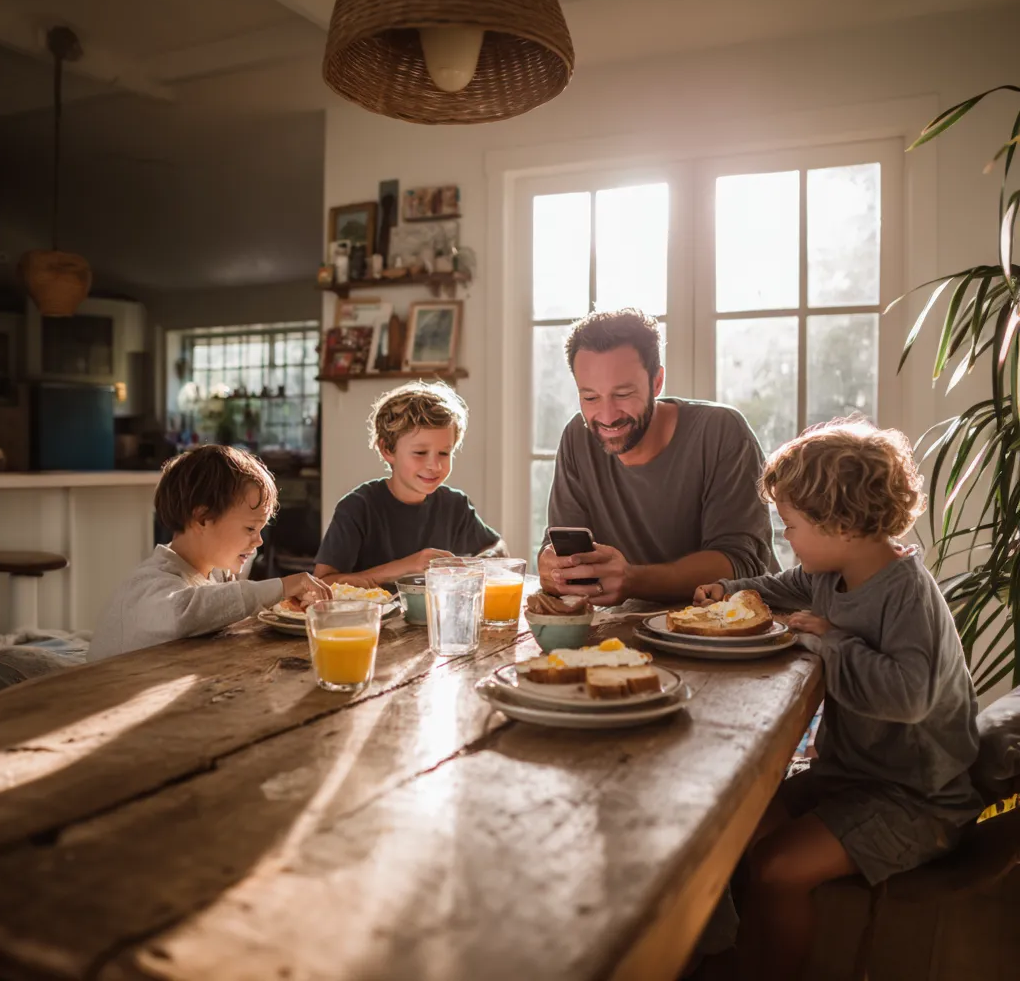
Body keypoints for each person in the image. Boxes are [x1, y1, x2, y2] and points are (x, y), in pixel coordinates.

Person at [692, 419, 983, 981]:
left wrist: (828, 640)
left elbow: (909, 696)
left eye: (792, 525)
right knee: (733, 822)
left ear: (841, 525)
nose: (787, 538)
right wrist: (728, 592)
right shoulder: (830, 573)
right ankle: (732, 950)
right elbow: (779, 587)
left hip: (917, 798)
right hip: (852, 775)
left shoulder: (905, 595)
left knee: (776, 867)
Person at [538, 308, 776, 606]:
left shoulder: (721, 432)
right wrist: (551, 568)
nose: (607, 416)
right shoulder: (577, 437)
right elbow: (561, 546)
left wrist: (632, 580)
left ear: (656, 382)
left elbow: (741, 561)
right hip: (629, 632)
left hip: (733, 625)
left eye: (623, 394)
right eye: (590, 397)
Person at [88, 446, 331, 663]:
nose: (258, 540)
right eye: (250, 528)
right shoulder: (149, 582)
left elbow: (223, 606)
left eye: (261, 529)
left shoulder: (214, 575)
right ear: (203, 519)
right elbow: (184, 614)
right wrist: (281, 586)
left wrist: (284, 602)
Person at [314, 381, 505, 587]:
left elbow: (499, 547)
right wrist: (406, 566)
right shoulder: (357, 507)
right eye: (420, 453)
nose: (435, 465)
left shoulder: (455, 505)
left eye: (444, 453)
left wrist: (477, 565)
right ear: (387, 450)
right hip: (370, 618)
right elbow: (321, 583)